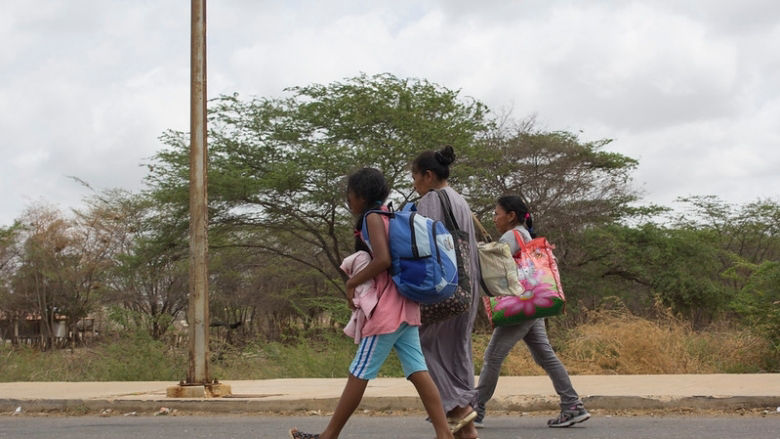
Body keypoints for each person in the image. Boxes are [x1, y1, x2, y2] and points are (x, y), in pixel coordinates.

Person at [289, 167, 453, 439]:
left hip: (387, 310)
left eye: (350, 195)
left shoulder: (372, 218)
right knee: (417, 370)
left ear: (361, 196)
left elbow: (383, 260)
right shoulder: (389, 214)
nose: (348, 200)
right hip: (405, 304)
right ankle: (444, 434)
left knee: (359, 370)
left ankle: (328, 435)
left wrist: (352, 283)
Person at [474, 195, 591, 428]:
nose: (495, 218)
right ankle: (572, 404)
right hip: (533, 303)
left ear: (511, 216)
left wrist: (478, 250)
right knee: (544, 355)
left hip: (520, 306)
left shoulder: (512, 235)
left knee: (493, 357)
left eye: (497, 214)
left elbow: (494, 263)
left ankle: (474, 409)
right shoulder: (525, 234)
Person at [411, 146, 482, 439]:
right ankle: (467, 429)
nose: (413, 183)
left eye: (414, 177)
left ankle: (459, 412)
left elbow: (423, 247)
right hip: (469, 287)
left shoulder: (430, 201)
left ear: (428, 176)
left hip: (444, 288)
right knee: (455, 351)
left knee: (422, 350)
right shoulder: (459, 200)